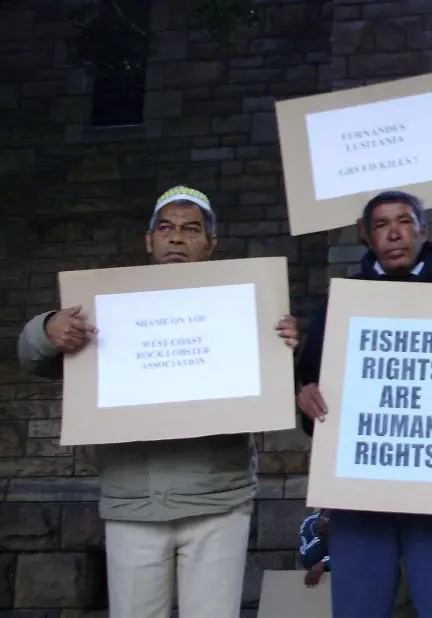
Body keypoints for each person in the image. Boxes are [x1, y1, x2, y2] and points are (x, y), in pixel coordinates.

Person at [15, 186, 300, 618]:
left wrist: (288, 343)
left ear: (210, 244)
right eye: (165, 228)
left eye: (191, 229)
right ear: (149, 241)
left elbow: (280, 376)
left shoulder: (243, 306)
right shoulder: (110, 306)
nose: (177, 238)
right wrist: (47, 328)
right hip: (134, 501)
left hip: (217, 501)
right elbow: (29, 356)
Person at [295, 190, 432, 618]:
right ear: (366, 236)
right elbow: (311, 383)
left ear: (423, 230)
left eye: (404, 222)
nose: (394, 234)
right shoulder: (342, 301)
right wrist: (307, 398)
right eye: (381, 224)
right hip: (361, 494)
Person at [299, 509, 330, 587]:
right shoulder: (309, 523)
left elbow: (352, 555)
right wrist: (321, 538)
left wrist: (323, 563)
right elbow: (306, 560)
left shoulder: (350, 525)